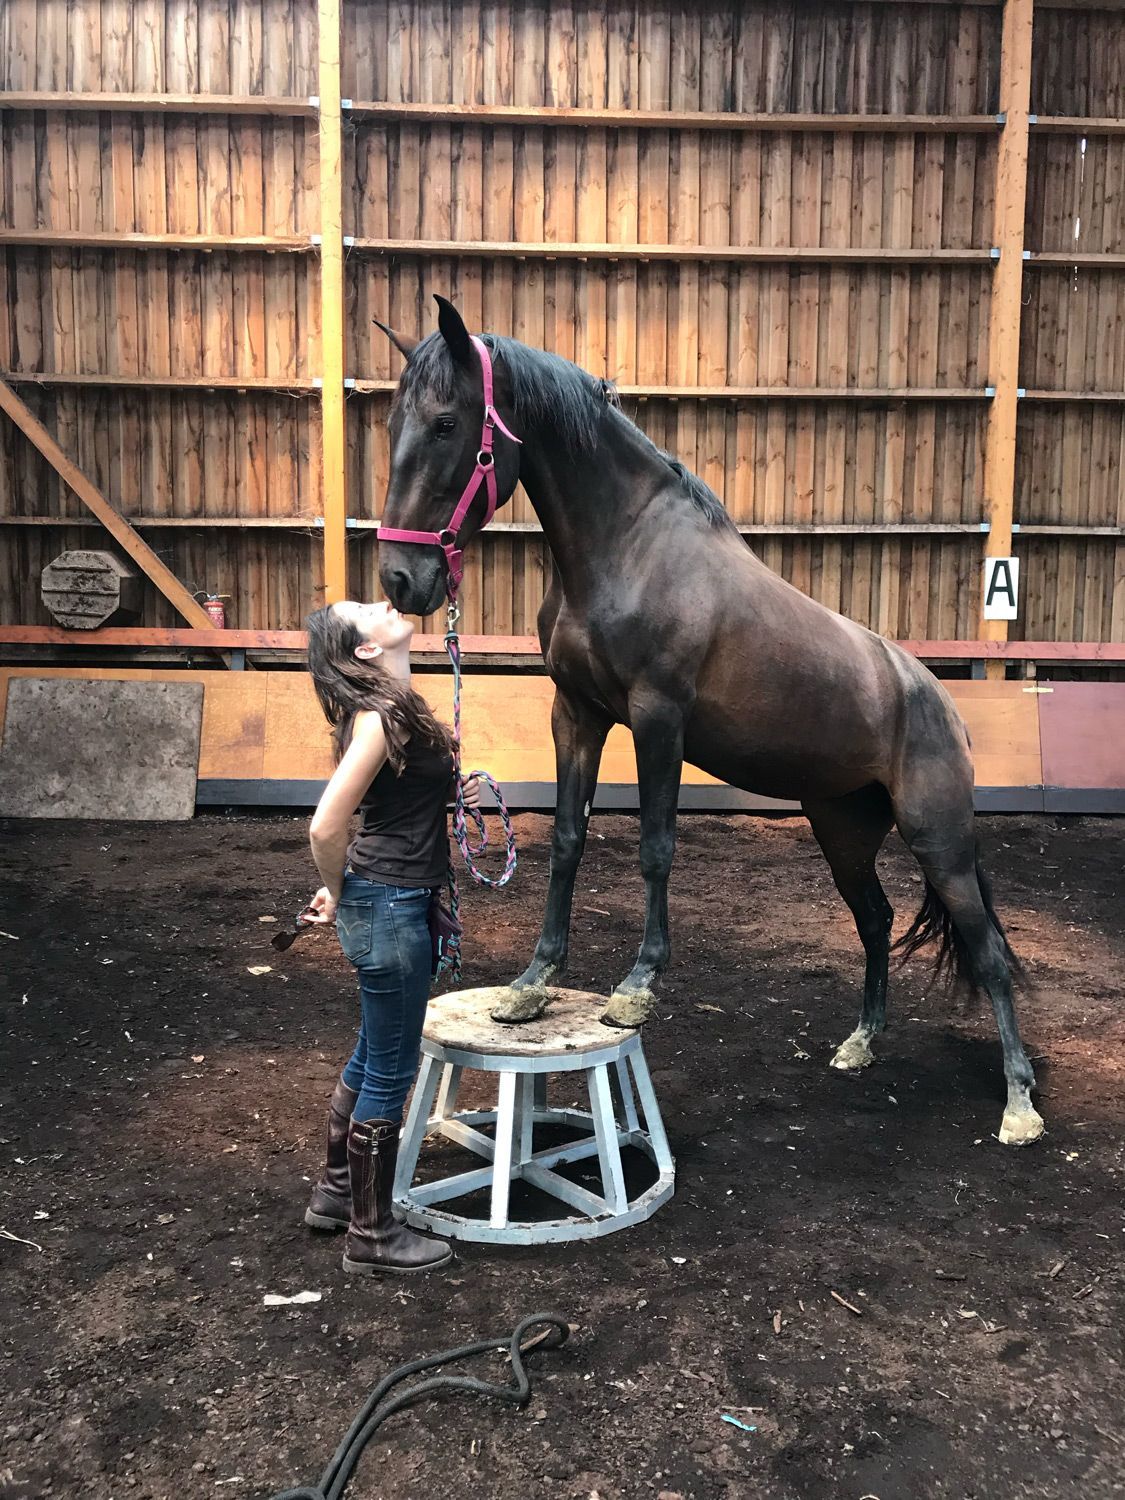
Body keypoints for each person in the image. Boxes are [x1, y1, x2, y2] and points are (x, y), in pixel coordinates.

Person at [300, 598, 478, 1275]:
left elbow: (370, 815)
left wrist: (346, 883)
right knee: (392, 1070)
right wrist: (344, 888)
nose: (387, 602)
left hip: (391, 896)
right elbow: (324, 825)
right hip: (392, 906)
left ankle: (338, 1192)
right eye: (369, 609)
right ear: (366, 650)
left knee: (373, 1050)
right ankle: (372, 1236)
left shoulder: (391, 708)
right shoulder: (377, 717)